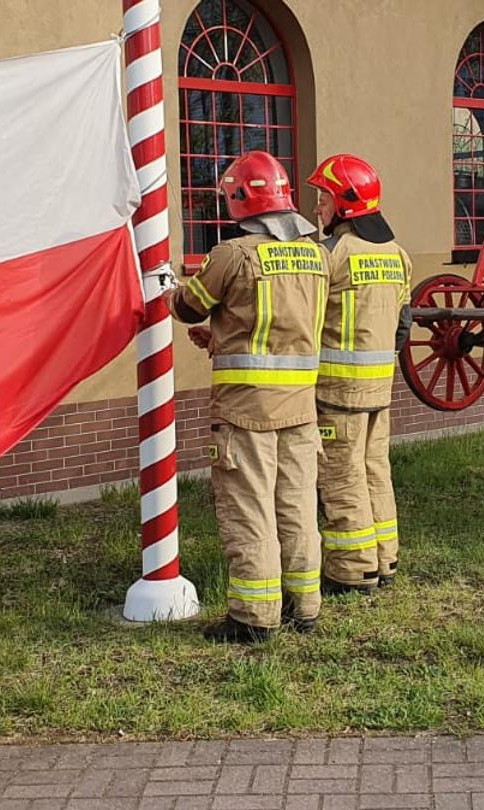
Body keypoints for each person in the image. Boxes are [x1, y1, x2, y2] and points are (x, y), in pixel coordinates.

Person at [171, 150, 325, 644]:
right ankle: (305, 606)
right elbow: (280, 328)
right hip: (301, 408)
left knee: (250, 509)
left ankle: (254, 618)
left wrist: (168, 286)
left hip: (247, 411)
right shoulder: (317, 255)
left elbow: (188, 306)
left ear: (238, 198)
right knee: (297, 506)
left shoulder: (233, 254)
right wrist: (223, 338)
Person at [305, 154, 411, 595]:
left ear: (345, 204)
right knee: (375, 471)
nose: (317, 208)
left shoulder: (331, 254)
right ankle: (385, 559)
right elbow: (403, 325)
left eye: (323, 198)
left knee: (341, 477)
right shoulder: (398, 255)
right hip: (380, 389)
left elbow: (306, 319)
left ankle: (352, 570)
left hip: (337, 393)